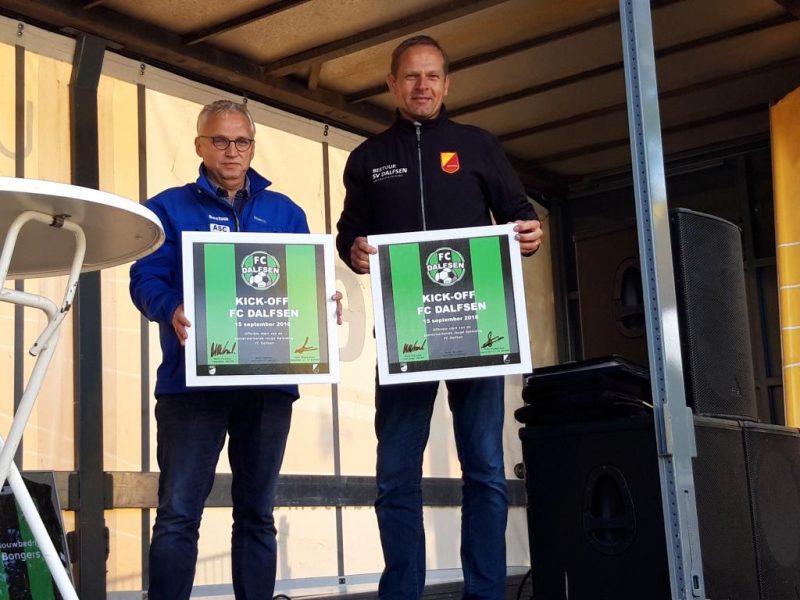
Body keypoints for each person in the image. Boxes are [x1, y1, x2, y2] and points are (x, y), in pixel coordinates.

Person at [336, 36, 543, 600]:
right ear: (391, 84)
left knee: (485, 469)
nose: (421, 86)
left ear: (447, 84)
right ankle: (401, 592)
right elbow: (349, 232)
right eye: (410, 76)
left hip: (477, 329)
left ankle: (485, 593)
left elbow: (519, 216)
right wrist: (353, 249)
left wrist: (529, 234)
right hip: (404, 332)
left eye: (432, 76)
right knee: (395, 473)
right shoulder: (368, 158)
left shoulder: (478, 145)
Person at [130, 99, 341, 600]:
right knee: (178, 514)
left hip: (268, 386)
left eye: (241, 141)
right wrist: (171, 307)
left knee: (257, 514)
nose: (232, 151)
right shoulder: (167, 208)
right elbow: (145, 278)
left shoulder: (285, 212)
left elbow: (303, 282)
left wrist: (321, 301)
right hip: (190, 386)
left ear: (252, 145)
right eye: (220, 140)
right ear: (199, 145)